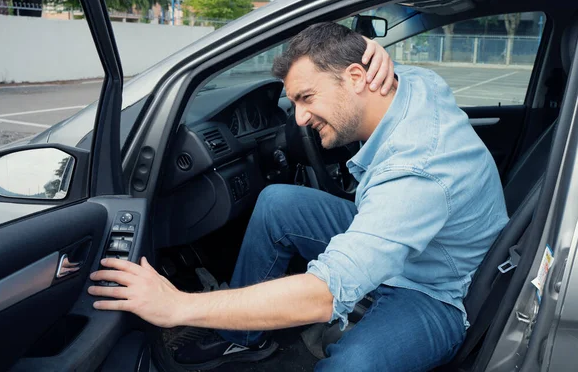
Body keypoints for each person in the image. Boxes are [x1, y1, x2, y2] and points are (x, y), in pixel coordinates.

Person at [88, 22, 509, 371]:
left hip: (436, 289)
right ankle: (243, 339)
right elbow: (402, 73)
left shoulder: (416, 170)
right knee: (277, 203)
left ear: (358, 79)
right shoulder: (418, 84)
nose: (301, 118)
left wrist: (178, 306)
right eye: (294, 102)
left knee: (348, 367)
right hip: (415, 244)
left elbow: (323, 295)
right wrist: (369, 47)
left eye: (306, 98)